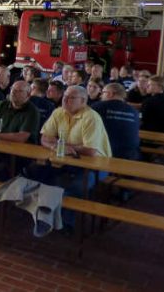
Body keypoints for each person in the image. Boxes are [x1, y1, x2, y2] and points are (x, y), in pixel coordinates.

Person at [37, 85, 111, 229]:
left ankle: (65, 223)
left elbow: (90, 151)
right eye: (65, 96)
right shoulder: (58, 112)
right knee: (38, 173)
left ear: (83, 100)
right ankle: (46, 215)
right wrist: (56, 146)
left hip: (98, 165)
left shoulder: (91, 117)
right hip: (69, 160)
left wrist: (65, 146)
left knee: (76, 187)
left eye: (71, 97)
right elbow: (45, 138)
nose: (65, 100)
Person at [92, 83, 140, 160]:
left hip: (106, 153)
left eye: (103, 93)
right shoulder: (134, 111)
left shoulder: (98, 106)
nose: (101, 96)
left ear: (110, 94)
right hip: (131, 155)